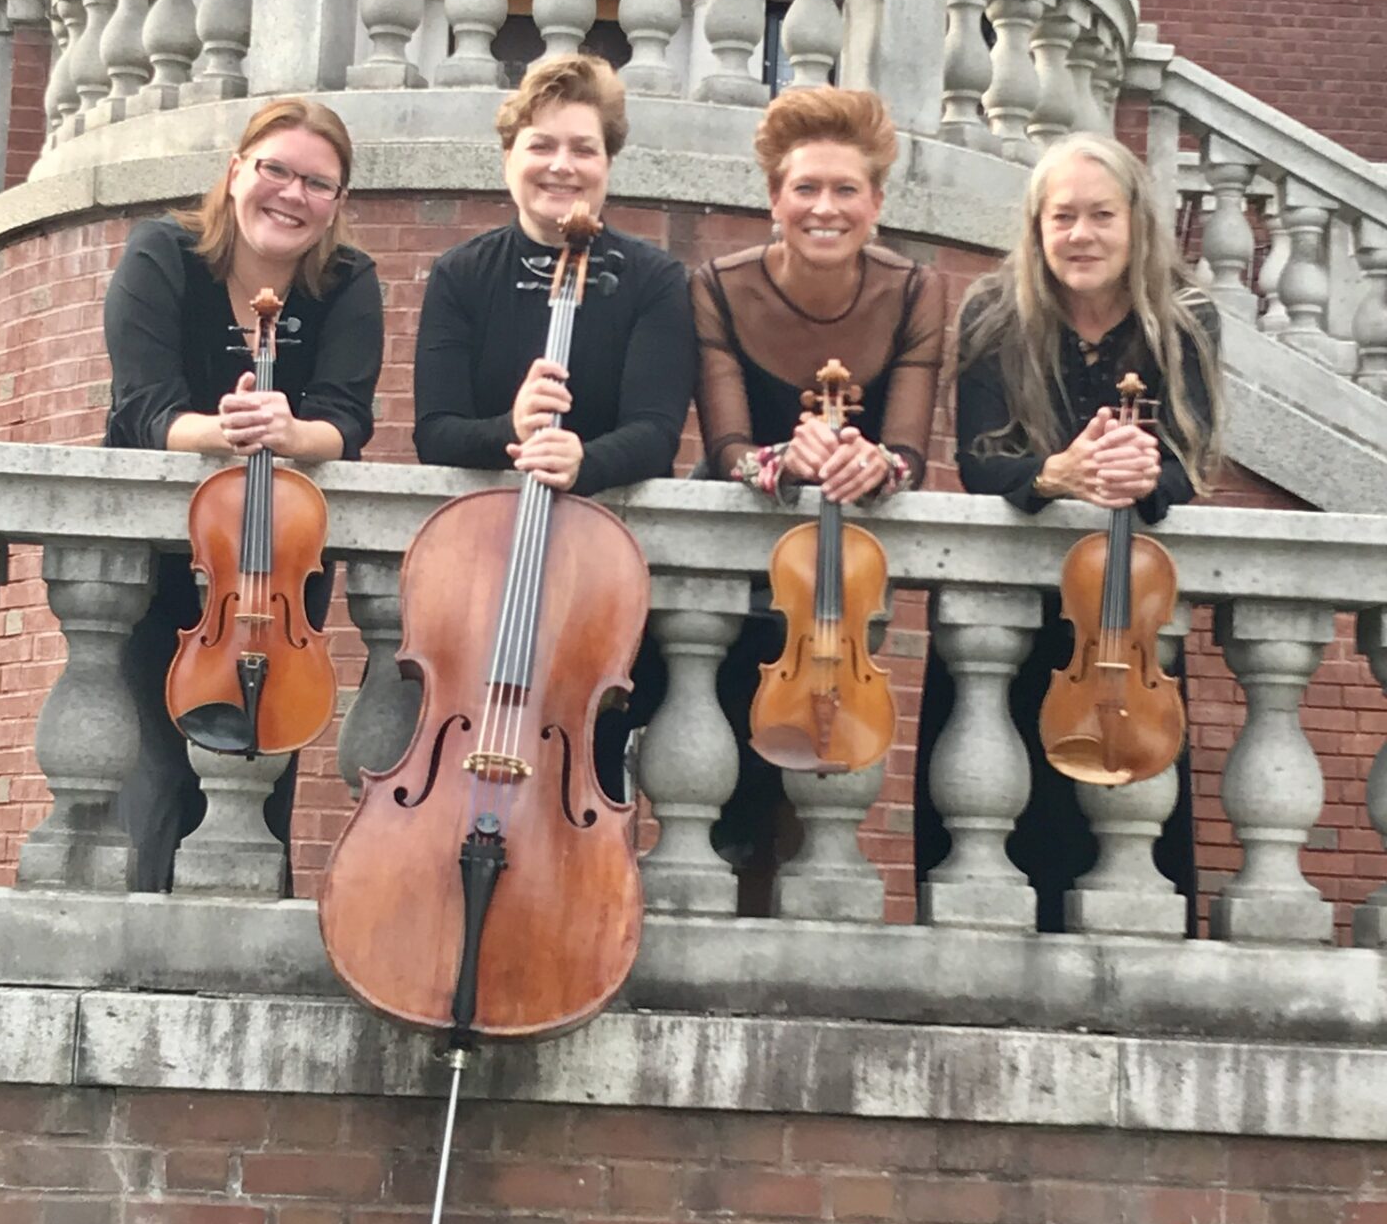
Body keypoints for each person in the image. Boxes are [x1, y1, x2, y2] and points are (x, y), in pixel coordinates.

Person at [915, 129, 1222, 931]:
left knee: (1133, 824)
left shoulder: (1184, 319)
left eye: (1100, 215)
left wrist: (1144, 477)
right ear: (1037, 227)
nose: (1080, 235)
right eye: (1062, 218)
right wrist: (1058, 474)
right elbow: (985, 463)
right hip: (1009, 621)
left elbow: (1192, 460)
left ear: (1135, 223)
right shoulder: (995, 312)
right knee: (996, 818)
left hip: (1126, 618)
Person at [103, 97, 384, 891]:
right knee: (156, 775)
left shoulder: (349, 281)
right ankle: (144, 943)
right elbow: (140, 408)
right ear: (235, 174)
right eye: (277, 171)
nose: (293, 195)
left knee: (267, 772)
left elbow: (346, 421)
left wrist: (291, 432)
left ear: (337, 205)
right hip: (157, 555)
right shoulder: (162, 252)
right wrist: (226, 429)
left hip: (276, 559)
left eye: (318, 184)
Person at [412, 53, 695, 792]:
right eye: (541, 145)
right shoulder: (462, 274)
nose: (561, 165)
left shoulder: (652, 280)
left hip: (591, 588)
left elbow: (656, 432)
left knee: (586, 759)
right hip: (481, 579)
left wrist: (583, 460)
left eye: (583, 148)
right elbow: (435, 430)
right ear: (509, 157)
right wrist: (508, 426)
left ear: (608, 163)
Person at [692, 86, 946, 899]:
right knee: (716, 776)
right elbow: (727, 447)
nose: (825, 208)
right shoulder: (719, 286)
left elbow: (908, 451)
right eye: (805, 188)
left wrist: (877, 467)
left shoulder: (916, 292)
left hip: (832, 594)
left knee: (811, 796)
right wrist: (781, 460)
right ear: (774, 199)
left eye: (846, 190)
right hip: (732, 576)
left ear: (876, 202)